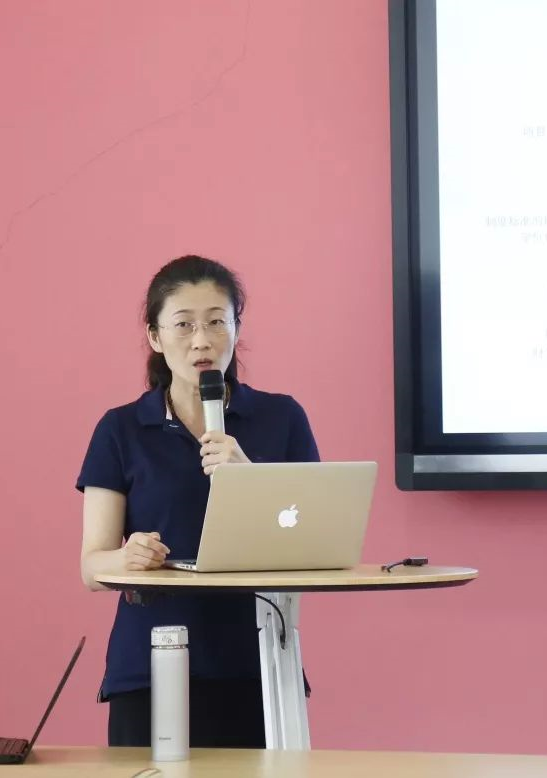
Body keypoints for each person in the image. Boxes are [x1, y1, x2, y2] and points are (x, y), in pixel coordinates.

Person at [76, 255, 319, 747]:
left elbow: (315, 545)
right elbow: (91, 567)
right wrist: (128, 557)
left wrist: (250, 478)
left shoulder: (281, 418)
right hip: (150, 664)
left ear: (236, 328)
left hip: (257, 664)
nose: (202, 340)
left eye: (216, 322)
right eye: (184, 324)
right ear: (155, 336)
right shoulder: (121, 429)